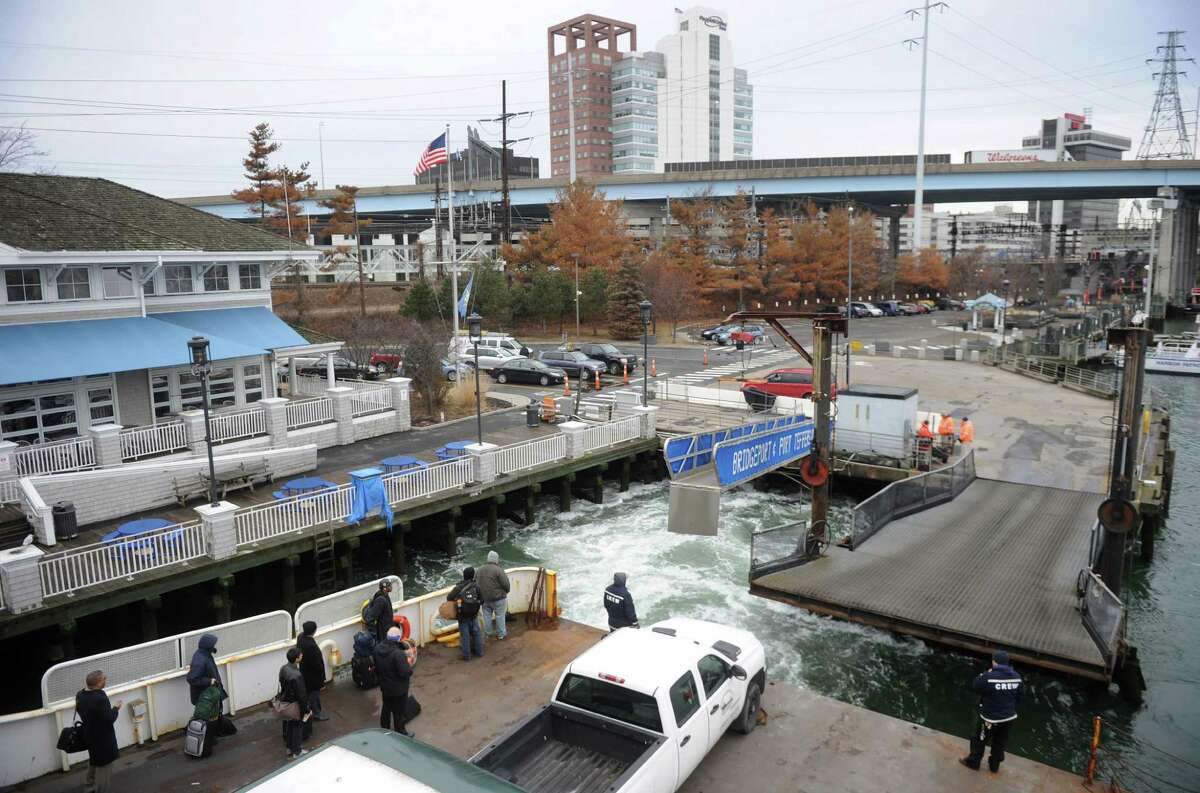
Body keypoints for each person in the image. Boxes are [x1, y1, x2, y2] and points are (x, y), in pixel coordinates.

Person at [960, 650, 1023, 774]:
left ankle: (973, 762)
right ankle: (994, 766)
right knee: (1000, 741)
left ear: (994, 662)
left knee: (979, 739)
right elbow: (1020, 696)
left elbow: (976, 686)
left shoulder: (989, 677)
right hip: (1009, 717)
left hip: (990, 718)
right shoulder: (1017, 677)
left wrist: (985, 673)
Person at [77, 670, 120, 793]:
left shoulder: (80, 694)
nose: (105, 681)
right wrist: (116, 708)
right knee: (104, 768)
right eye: (104, 679)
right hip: (103, 738)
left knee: (94, 761)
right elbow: (109, 719)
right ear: (98, 683)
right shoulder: (100, 697)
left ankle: (89, 786)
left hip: (89, 734)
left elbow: (80, 710)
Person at [373, 626, 414, 736]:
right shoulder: (398, 654)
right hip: (399, 689)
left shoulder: (377, 649)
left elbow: (377, 666)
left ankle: (384, 728)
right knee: (398, 711)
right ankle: (400, 732)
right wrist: (409, 663)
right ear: (398, 638)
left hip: (385, 686)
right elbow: (404, 672)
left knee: (386, 707)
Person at [277, 647, 311, 760]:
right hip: (295, 705)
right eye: (300, 655)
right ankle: (297, 751)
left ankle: (289, 747)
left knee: (290, 725)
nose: (302, 655)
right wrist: (306, 709)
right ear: (297, 658)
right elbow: (301, 695)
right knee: (297, 727)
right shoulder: (297, 675)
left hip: (285, 703)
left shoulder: (283, 668)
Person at [447, 567, 484, 661]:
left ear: (464, 575)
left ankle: (466, 656)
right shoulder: (476, 586)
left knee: (465, 636)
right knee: (476, 633)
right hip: (474, 614)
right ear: (473, 575)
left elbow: (449, 597)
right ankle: (480, 652)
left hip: (462, 615)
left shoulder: (459, 587)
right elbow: (482, 600)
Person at [296, 621, 329, 721]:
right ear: (314, 631)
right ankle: (316, 714)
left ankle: (309, 709)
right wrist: (322, 679)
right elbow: (318, 665)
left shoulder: (300, 637)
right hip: (313, 676)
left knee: (308, 693)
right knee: (314, 695)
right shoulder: (312, 646)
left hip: (304, 671)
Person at [477, 550, 511, 641]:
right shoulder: (498, 570)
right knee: (500, 615)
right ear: (496, 560)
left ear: (488, 559)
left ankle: (488, 633)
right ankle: (501, 634)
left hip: (484, 599)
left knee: (487, 616)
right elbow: (506, 585)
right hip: (498, 598)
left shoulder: (479, 569)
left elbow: (475, 583)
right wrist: (506, 592)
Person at [186, 634, 225, 707]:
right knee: (209, 716)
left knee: (216, 714)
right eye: (213, 645)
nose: (214, 646)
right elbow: (191, 678)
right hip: (205, 698)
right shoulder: (200, 660)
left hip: (211, 695)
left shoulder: (205, 654)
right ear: (208, 646)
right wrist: (209, 681)